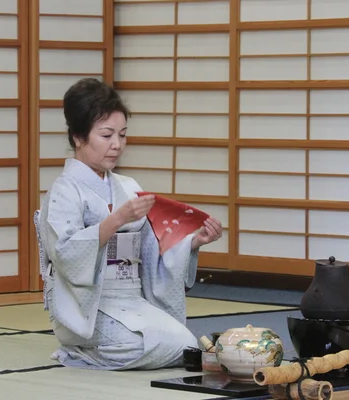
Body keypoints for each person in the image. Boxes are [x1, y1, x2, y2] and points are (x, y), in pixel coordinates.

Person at [37, 78, 223, 370]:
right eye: (106, 135)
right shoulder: (64, 191)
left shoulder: (127, 186)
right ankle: (77, 351)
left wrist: (192, 242)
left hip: (131, 299)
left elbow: (152, 249)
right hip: (85, 306)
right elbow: (66, 254)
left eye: (122, 135)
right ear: (77, 137)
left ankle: (97, 351)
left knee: (185, 346)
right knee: (143, 346)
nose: (117, 145)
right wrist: (117, 220)